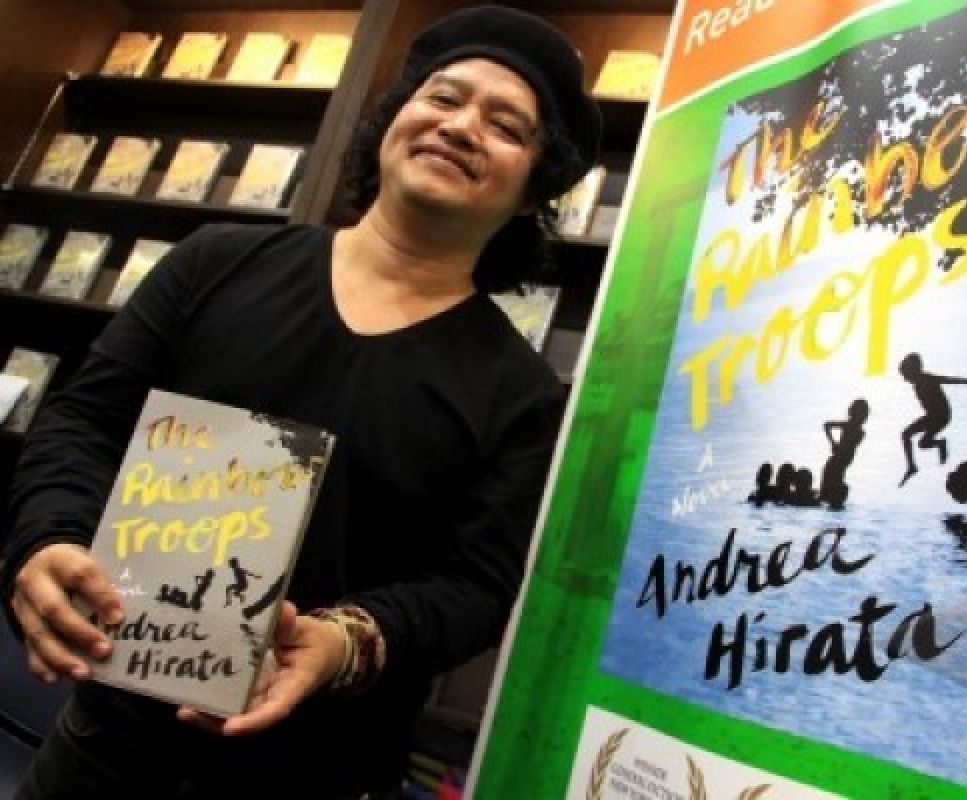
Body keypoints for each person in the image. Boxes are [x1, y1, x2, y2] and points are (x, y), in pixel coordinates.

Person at [0, 6, 601, 798]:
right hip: (107, 740)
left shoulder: (521, 393)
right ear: (393, 123)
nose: (460, 127)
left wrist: (347, 641)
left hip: (318, 773)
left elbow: (475, 588)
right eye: (443, 98)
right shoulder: (216, 262)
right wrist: (48, 535)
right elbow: (85, 420)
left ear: (533, 191)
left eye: (505, 126)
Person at [896, 352, 967, 488]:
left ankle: (914, 465)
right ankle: (935, 448)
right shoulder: (917, 383)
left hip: (941, 417)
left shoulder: (928, 378)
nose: (906, 379)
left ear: (914, 371)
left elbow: (950, 380)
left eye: (906, 376)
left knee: (908, 435)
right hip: (932, 416)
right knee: (921, 443)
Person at [819, 398, 869, 510]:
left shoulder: (856, 430)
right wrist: (833, 443)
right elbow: (826, 425)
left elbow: (827, 425)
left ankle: (834, 500)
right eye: (863, 414)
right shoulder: (854, 428)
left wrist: (833, 443)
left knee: (833, 486)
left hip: (840, 461)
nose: (864, 417)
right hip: (839, 461)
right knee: (833, 486)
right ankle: (834, 500)